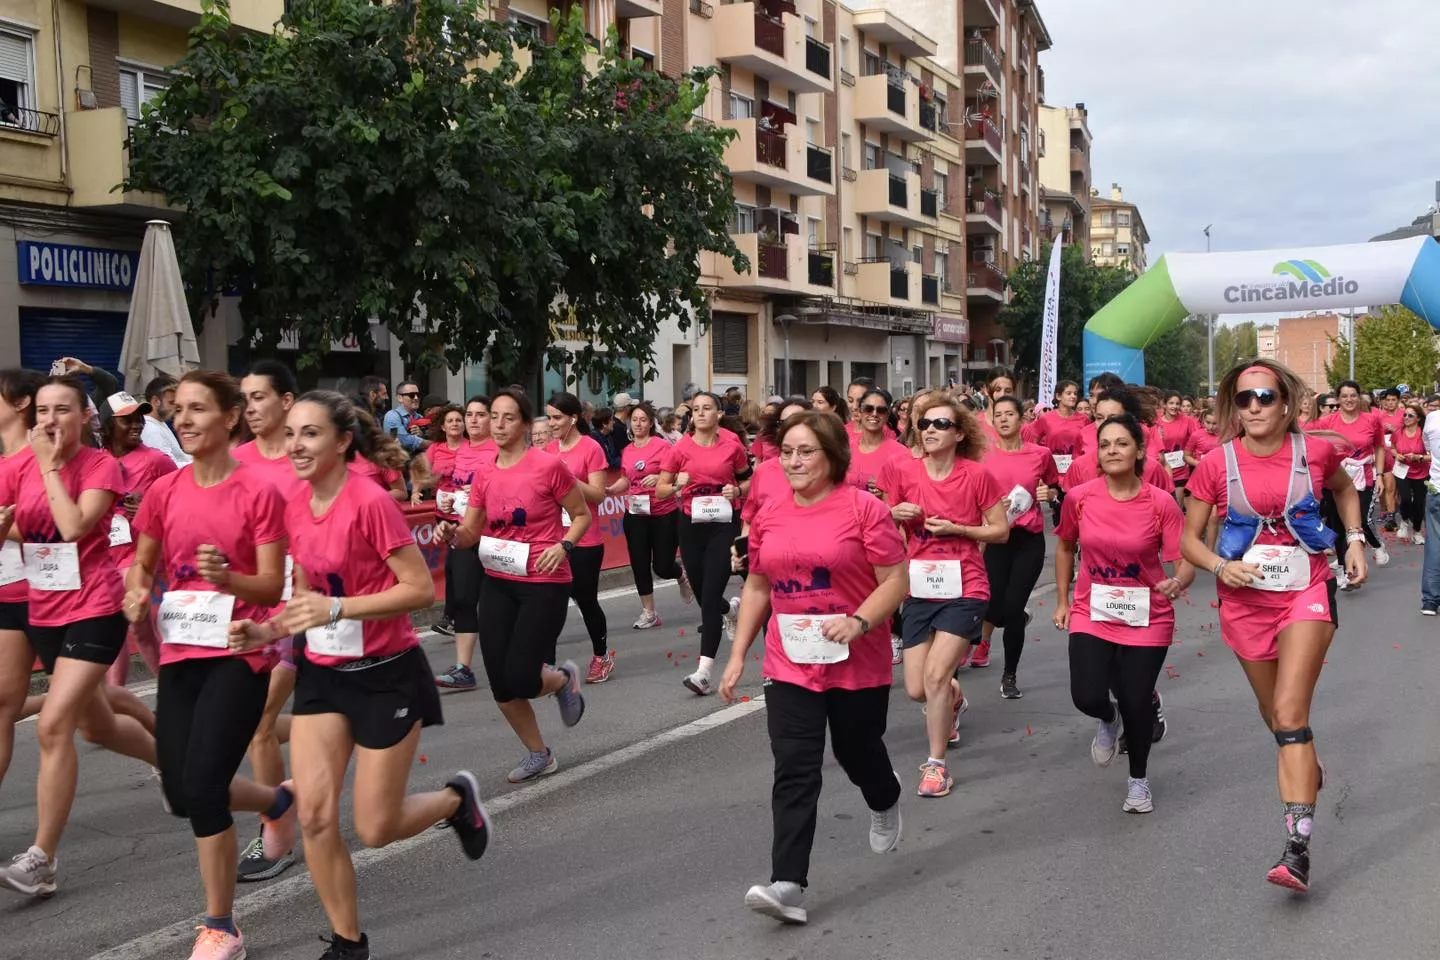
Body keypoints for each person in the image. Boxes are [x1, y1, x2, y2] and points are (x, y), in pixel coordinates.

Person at [230, 391, 491, 960]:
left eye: (310, 434)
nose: (296, 445)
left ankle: (453, 800)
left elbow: (419, 589)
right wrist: (268, 631)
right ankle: (349, 945)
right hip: (324, 675)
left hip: (387, 674)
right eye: (292, 433)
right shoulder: (292, 505)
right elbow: (305, 596)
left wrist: (340, 610)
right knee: (319, 816)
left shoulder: (370, 502)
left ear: (343, 441)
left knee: (375, 828)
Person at [123, 370, 294, 960]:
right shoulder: (165, 491)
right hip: (180, 651)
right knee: (181, 789)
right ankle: (277, 803)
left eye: (199, 409)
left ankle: (221, 925)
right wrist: (134, 590)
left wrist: (230, 578)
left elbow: (272, 584)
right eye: (179, 411)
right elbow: (143, 564)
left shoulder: (259, 493)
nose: (185, 419)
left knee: (202, 789)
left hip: (242, 652)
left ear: (230, 419)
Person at [1182, 360, 1366, 893]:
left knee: (1290, 710)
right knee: (1277, 719)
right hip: (1245, 600)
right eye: (1244, 399)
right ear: (1233, 408)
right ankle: (1305, 759)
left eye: (1265, 396)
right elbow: (1189, 541)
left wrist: (1353, 537)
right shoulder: (1216, 464)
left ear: (1286, 402)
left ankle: (1297, 850)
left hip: (1306, 588)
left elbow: (1345, 490)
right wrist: (1220, 565)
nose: (1255, 407)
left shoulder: (1316, 452)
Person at [719, 410, 908, 926]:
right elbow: (759, 586)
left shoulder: (865, 510)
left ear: (832, 456)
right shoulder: (772, 512)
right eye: (788, 452)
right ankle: (788, 883)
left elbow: (896, 580)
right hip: (790, 661)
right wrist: (737, 655)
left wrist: (861, 621)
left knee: (856, 751)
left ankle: (885, 793)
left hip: (856, 659)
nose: (795, 461)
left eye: (807, 451)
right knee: (795, 767)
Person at [0, 375, 158, 898]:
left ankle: (42, 857)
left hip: (95, 606)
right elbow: (27, 528)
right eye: (42, 411)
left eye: (62, 409)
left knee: (54, 725)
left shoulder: (100, 466)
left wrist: (46, 470)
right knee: (100, 727)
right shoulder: (20, 467)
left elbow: (72, 526)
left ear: (86, 416)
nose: (49, 420)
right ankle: (172, 763)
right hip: (44, 611)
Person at [441, 388, 588, 784]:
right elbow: (471, 532)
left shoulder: (548, 466)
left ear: (524, 423)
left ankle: (561, 680)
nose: (500, 424)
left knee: (523, 676)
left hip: (544, 580)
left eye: (509, 417)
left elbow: (581, 514)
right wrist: (451, 534)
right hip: (498, 581)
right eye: (495, 416)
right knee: (501, 683)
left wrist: (565, 545)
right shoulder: (485, 472)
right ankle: (539, 753)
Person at [1054, 414, 1191, 815]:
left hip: (1147, 615)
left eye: (1122, 443)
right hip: (1091, 610)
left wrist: (1178, 581)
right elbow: (1064, 547)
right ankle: (1107, 718)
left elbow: (1184, 559)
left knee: (1136, 700)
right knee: (1087, 695)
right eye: (1106, 444)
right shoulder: (1079, 498)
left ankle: (1138, 781)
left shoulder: (1160, 502)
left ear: (1138, 451)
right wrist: (1062, 600)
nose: (1113, 450)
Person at [880, 392, 1008, 798]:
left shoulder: (976, 475)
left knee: (936, 675)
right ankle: (953, 698)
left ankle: (937, 766)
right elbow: (880, 524)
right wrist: (892, 513)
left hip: (965, 587)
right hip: (919, 586)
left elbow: (1000, 529)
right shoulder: (903, 472)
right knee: (918, 688)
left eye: (940, 424)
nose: (930, 430)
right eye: (925, 424)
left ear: (958, 433)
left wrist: (960, 529)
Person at [230, 359, 310, 883]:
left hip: (304, 603)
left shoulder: (310, 458)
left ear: (285, 402)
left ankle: (273, 835)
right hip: (245, 611)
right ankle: (324, 727)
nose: (250, 407)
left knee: (259, 720)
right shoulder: (233, 460)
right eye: (245, 397)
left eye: (260, 397)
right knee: (256, 723)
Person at [658, 391, 752, 695]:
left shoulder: (731, 445)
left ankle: (704, 672)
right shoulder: (680, 448)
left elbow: (750, 481)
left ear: (719, 414)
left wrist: (737, 492)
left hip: (723, 526)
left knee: (709, 596)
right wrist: (675, 485)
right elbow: (660, 490)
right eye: (695, 409)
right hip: (691, 525)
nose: (700, 413)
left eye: (707, 408)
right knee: (702, 592)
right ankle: (730, 611)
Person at [100, 391, 179, 690]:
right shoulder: (96, 461)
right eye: (126, 420)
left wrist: (151, 507)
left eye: (138, 418)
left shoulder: (157, 460)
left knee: (153, 630)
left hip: (147, 560)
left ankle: (174, 690)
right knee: (117, 630)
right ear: (107, 425)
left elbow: (182, 502)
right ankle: (116, 696)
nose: (136, 424)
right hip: (106, 560)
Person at [981, 396, 1058, 697]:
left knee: (1012, 609)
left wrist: (1048, 492)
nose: (1003, 420)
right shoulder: (982, 455)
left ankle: (1009, 675)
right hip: (997, 539)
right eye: (998, 415)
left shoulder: (1040, 454)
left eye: (1009, 414)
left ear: (1021, 419)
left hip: (1028, 540)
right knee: (993, 604)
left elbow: (1054, 486)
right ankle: (1012, 616)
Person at [545, 392, 614, 684]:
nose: (551, 424)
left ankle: (601, 656)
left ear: (573, 418)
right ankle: (546, 664)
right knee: (548, 601)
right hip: (551, 537)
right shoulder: (548, 450)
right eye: (548, 417)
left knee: (585, 600)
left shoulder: (591, 448)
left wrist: (567, 478)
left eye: (557, 418)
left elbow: (598, 494)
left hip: (585, 538)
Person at [0, 368, 46, 789]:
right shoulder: (1, 462)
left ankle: (161, 750)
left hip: (44, 593)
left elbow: (51, 525)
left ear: (20, 403)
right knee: (3, 706)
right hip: (6, 594)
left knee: (94, 713)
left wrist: (4, 524)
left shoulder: (38, 457)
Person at [609, 402, 692, 629]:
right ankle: (649, 612)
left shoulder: (662, 446)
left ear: (651, 423)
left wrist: (658, 478)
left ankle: (680, 575)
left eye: (643, 420)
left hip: (663, 512)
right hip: (635, 513)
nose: (638, 424)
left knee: (662, 566)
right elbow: (627, 479)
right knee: (639, 563)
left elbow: (678, 474)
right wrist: (610, 490)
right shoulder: (627, 451)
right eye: (634, 420)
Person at [434, 396, 496, 690]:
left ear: (491, 419)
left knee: (500, 604)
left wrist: (482, 492)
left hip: (499, 537)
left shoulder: (498, 449)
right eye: (469, 414)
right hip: (465, 533)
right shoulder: (464, 450)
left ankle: (525, 659)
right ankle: (464, 669)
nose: (472, 420)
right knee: (462, 599)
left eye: (479, 415)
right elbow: (459, 489)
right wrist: (448, 499)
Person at [1307, 379, 1387, 578]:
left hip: (1364, 477)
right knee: (1338, 524)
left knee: (1364, 520)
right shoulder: (1328, 422)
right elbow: (1312, 442)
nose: (1349, 400)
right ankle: (1345, 568)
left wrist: (1379, 475)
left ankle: (1376, 545)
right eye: (1344, 396)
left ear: (1359, 398)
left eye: (1353, 396)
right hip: (1337, 478)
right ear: (1338, 399)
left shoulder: (1372, 420)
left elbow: (1379, 447)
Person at [845, 388, 907, 498]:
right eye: (868, 409)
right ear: (860, 412)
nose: (874, 414)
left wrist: (886, 494)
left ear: (887, 415)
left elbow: (908, 495)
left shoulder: (901, 454)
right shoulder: (845, 449)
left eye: (881, 410)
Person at [409, 405, 465, 507]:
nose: (454, 423)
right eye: (450, 421)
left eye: (458, 420)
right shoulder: (435, 448)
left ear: (464, 425)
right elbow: (420, 472)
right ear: (443, 427)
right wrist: (415, 492)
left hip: (466, 504)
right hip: (440, 503)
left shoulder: (473, 447)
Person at [1183, 406, 1222, 550]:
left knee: (1213, 517)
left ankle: (1209, 550)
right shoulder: (1196, 435)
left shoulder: (1225, 436)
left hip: (1218, 480)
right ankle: (1196, 545)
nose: (1211, 426)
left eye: (1215, 423)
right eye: (1208, 422)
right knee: (1198, 517)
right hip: (1200, 479)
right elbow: (1186, 456)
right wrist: (1200, 464)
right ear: (1203, 421)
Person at [1391, 402, 1428, 545]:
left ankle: (1417, 532)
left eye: (1410, 415)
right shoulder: (1398, 432)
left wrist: (1419, 457)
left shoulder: (1424, 433)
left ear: (1418, 418)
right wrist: (1396, 455)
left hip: (1421, 472)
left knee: (1419, 504)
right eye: (1404, 414)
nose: (1406, 417)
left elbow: (1433, 455)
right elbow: (1393, 448)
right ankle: (1404, 521)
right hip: (1403, 471)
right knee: (1405, 499)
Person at [143, 375, 193, 467]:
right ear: (155, 401)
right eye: (171, 403)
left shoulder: (159, 423)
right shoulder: (150, 429)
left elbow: (181, 456)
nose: (175, 408)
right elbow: (168, 466)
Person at [1157, 390, 1195, 503]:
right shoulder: (1156, 422)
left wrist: (1190, 455)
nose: (1175, 406)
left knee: (1176, 506)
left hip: (1181, 470)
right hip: (1161, 468)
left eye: (1177, 404)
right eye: (1171, 403)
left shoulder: (1187, 421)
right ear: (1164, 404)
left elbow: (1197, 438)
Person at [381, 380, 429, 457]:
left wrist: (421, 434)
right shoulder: (392, 415)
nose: (416, 398)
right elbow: (406, 441)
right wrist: (434, 444)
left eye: (418, 394)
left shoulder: (420, 417)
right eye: (411, 395)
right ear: (400, 398)